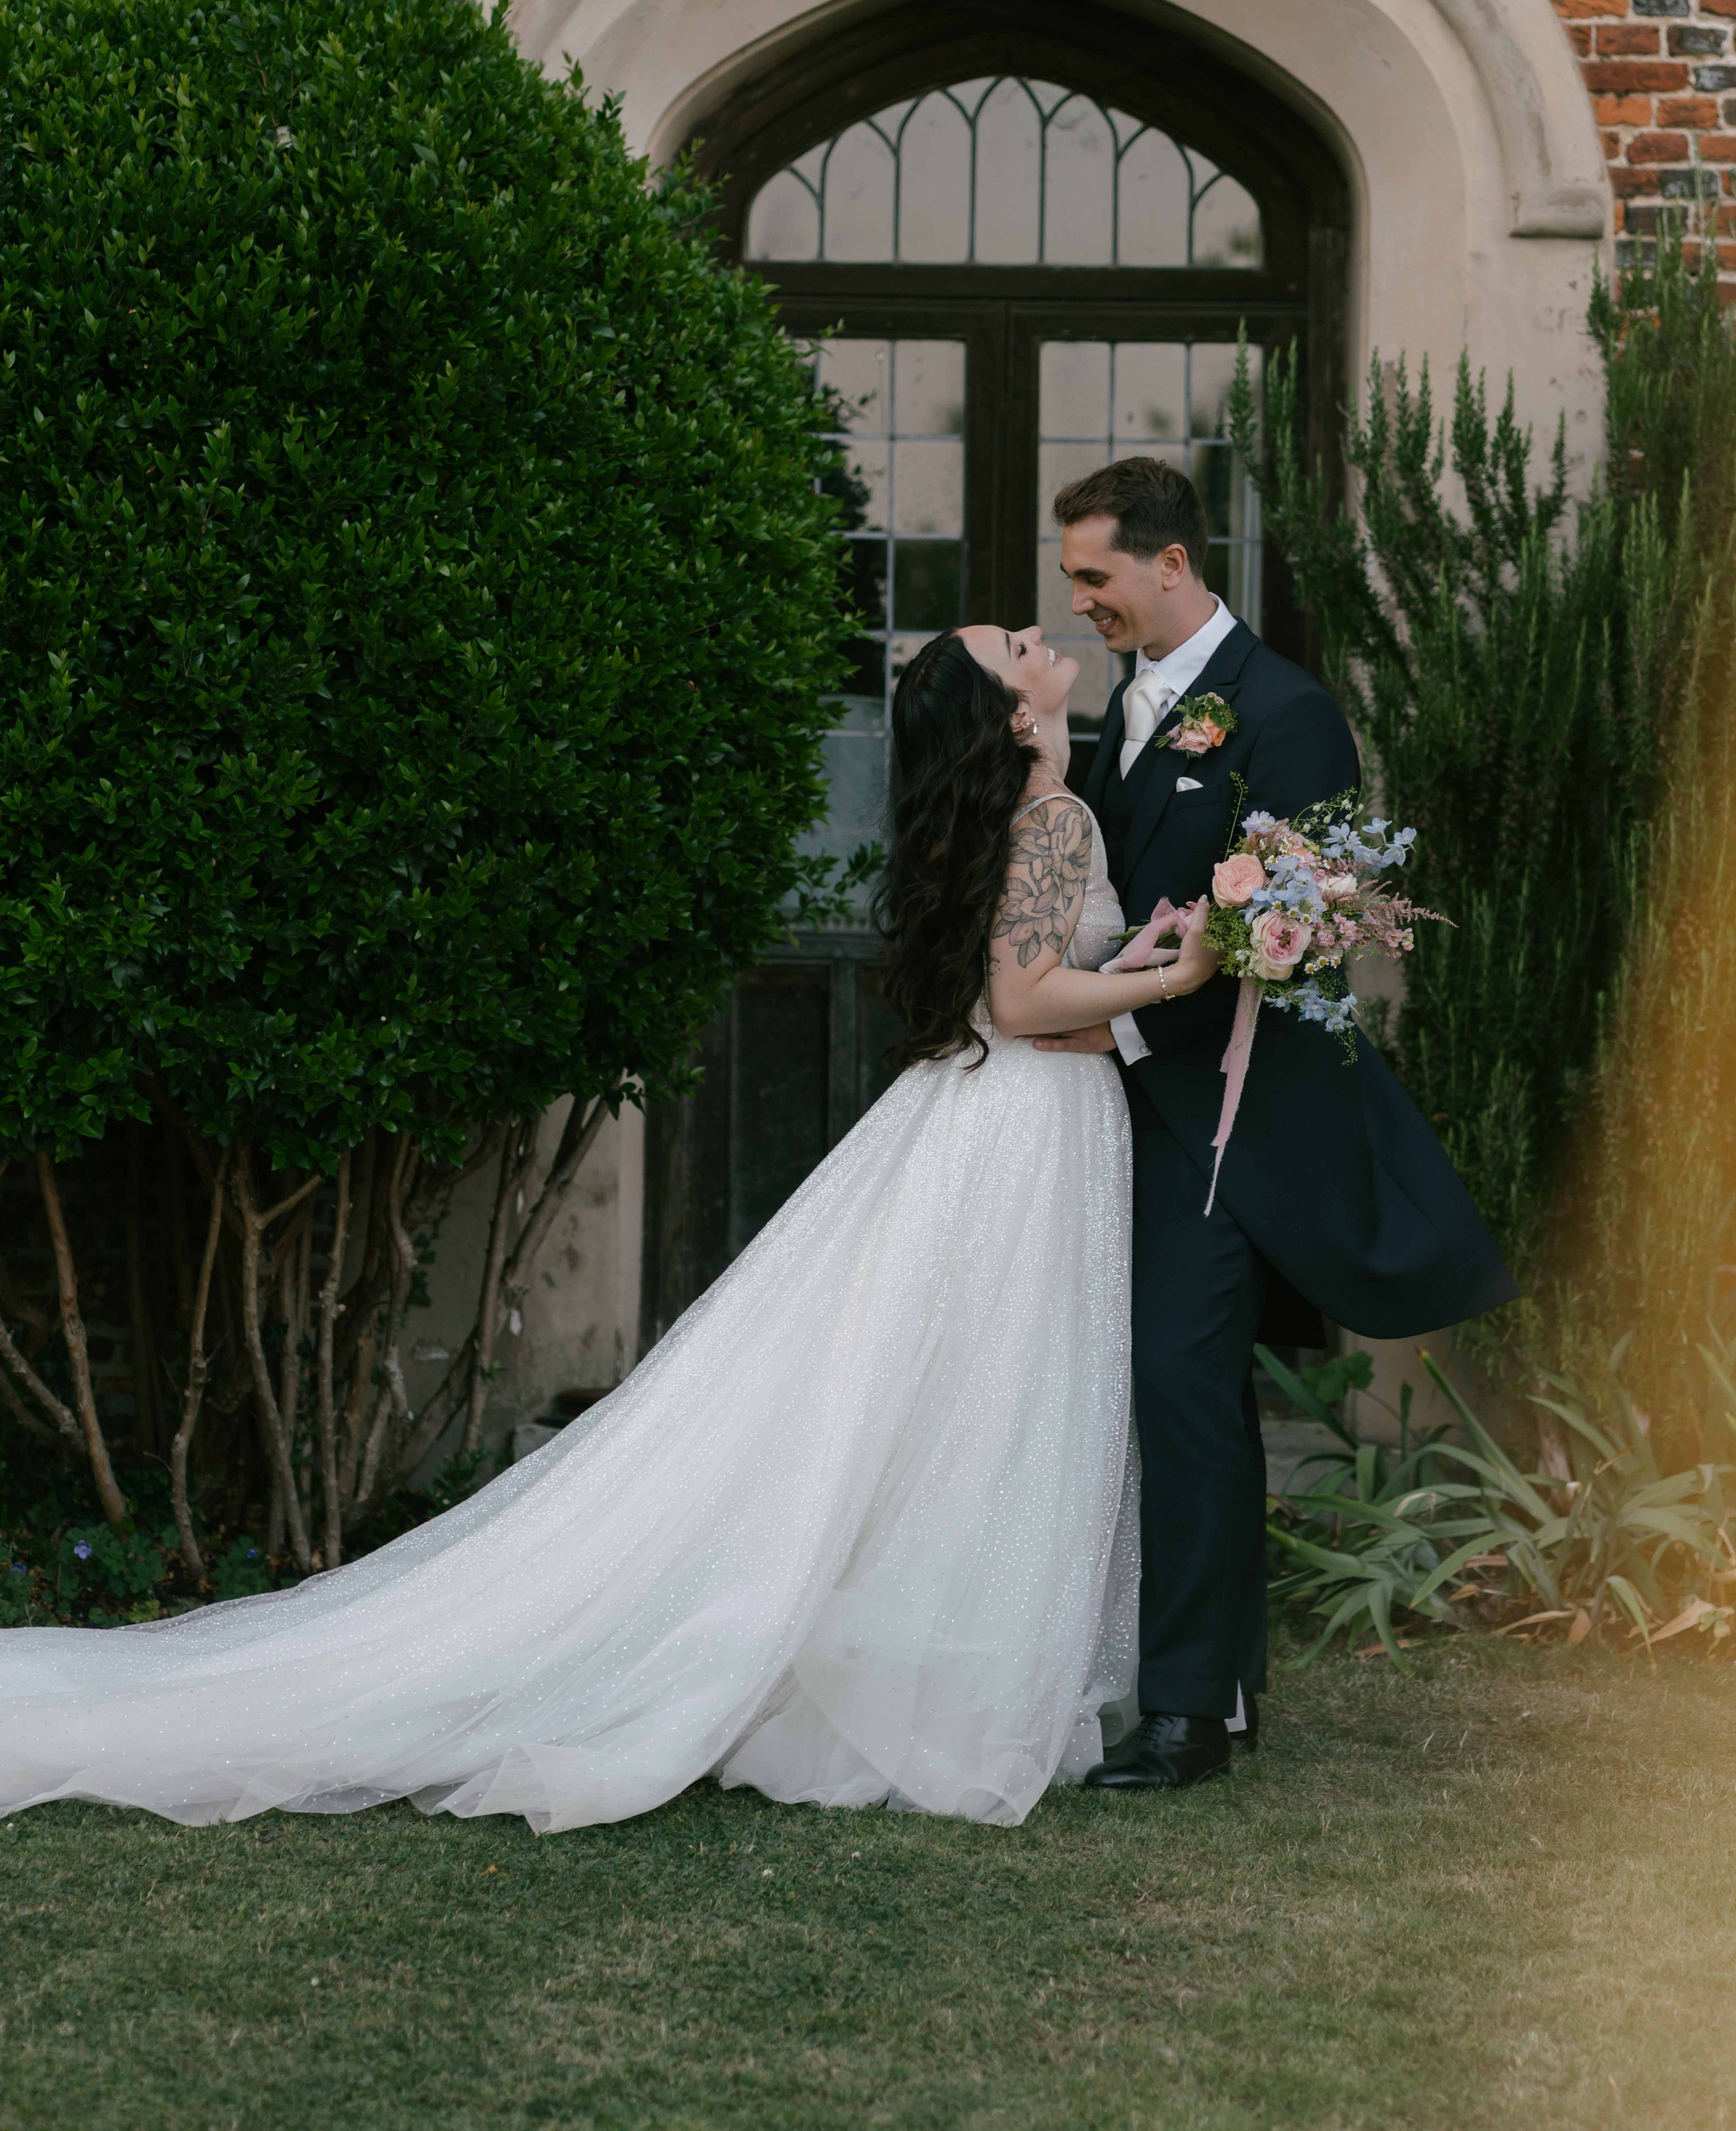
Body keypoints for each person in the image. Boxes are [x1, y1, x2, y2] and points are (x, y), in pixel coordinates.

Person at [0, 623, 1216, 1835]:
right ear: (1013, 714)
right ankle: (945, 1681)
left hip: (1003, 1119)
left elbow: (1031, 989)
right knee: (991, 1398)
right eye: (1013, 642)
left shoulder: (1037, 815)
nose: (1038, 632)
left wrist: (1134, 962)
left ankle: (925, 1666)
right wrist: (1174, 978)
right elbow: (1022, 997)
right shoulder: (1054, 815)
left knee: (955, 1402)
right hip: (1025, 1138)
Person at [1038, 457, 1514, 1793]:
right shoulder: (1126, 709)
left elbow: (1288, 939)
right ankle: (1213, 1684)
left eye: (1093, 574)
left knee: (1185, 1387)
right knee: (1165, 1393)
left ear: (1171, 561)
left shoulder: (1286, 712)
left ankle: (1188, 1714)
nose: (1078, 600)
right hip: (1115, 1109)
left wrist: (1122, 1026)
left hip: (1230, 1119)